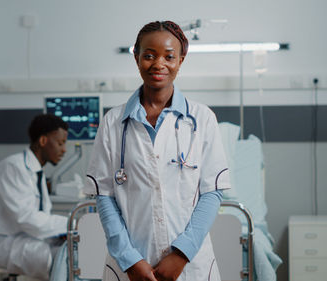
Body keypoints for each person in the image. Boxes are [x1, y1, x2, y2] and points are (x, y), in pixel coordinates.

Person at [84, 21, 231, 281]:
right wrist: (130, 260)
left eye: (169, 56)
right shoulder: (112, 122)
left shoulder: (202, 119)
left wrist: (181, 255)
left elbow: (212, 193)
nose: (158, 64)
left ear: (181, 60)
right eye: (149, 55)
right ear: (136, 57)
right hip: (130, 267)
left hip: (189, 267)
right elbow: (105, 197)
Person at [0, 114, 69, 280]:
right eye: (60, 143)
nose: (64, 150)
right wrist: (71, 224)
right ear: (43, 141)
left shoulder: (35, 171)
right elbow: (28, 219)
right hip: (1, 246)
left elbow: (39, 221)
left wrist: (65, 230)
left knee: (73, 249)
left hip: (25, 238)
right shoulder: (12, 168)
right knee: (69, 261)